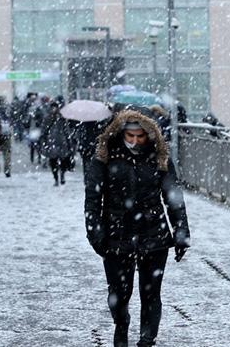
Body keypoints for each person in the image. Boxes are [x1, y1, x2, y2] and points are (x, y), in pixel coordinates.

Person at [84, 110, 191, 347]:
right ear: (120, 133)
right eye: (129, 135)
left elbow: (173, 196)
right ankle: (121, 325)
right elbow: (93, 197)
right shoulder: (105, 156)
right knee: (119, 294)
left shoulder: (159, 157)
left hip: (154, 232)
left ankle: (147, 339)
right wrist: (95, 232)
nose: (134, 141)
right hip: (116, 234)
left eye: (140, 136)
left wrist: (181, 231)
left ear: (148, 135)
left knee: (151, 293)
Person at [40, 99, 76, 186]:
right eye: (52, 108)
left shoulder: (62, 118)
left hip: (61, 142)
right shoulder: (48, 118)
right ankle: (56, 178)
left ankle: (62, 175)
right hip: (51, 143)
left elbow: (66, 131)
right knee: (53, 162)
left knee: (63, 161)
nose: (54, 109)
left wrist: (69, 142)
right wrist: (44, 141)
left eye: (55, 107)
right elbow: (44, 131)